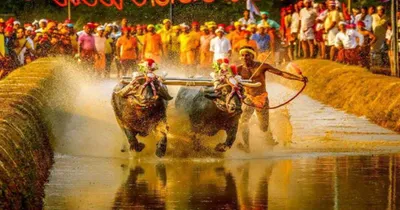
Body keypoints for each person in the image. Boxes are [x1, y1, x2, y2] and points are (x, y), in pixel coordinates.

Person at [236, 46, 307, 152]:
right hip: (248, 98)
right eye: (243, 55)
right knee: (243, 121)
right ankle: (247, 147)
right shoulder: (238, 69)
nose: (245, 57)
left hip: (261, 98)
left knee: (263, 127)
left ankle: (269, 138)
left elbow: (281, 73)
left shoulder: (262, 66)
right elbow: (230, 80)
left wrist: (299, 78)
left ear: (252, 56)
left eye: (247, 55)